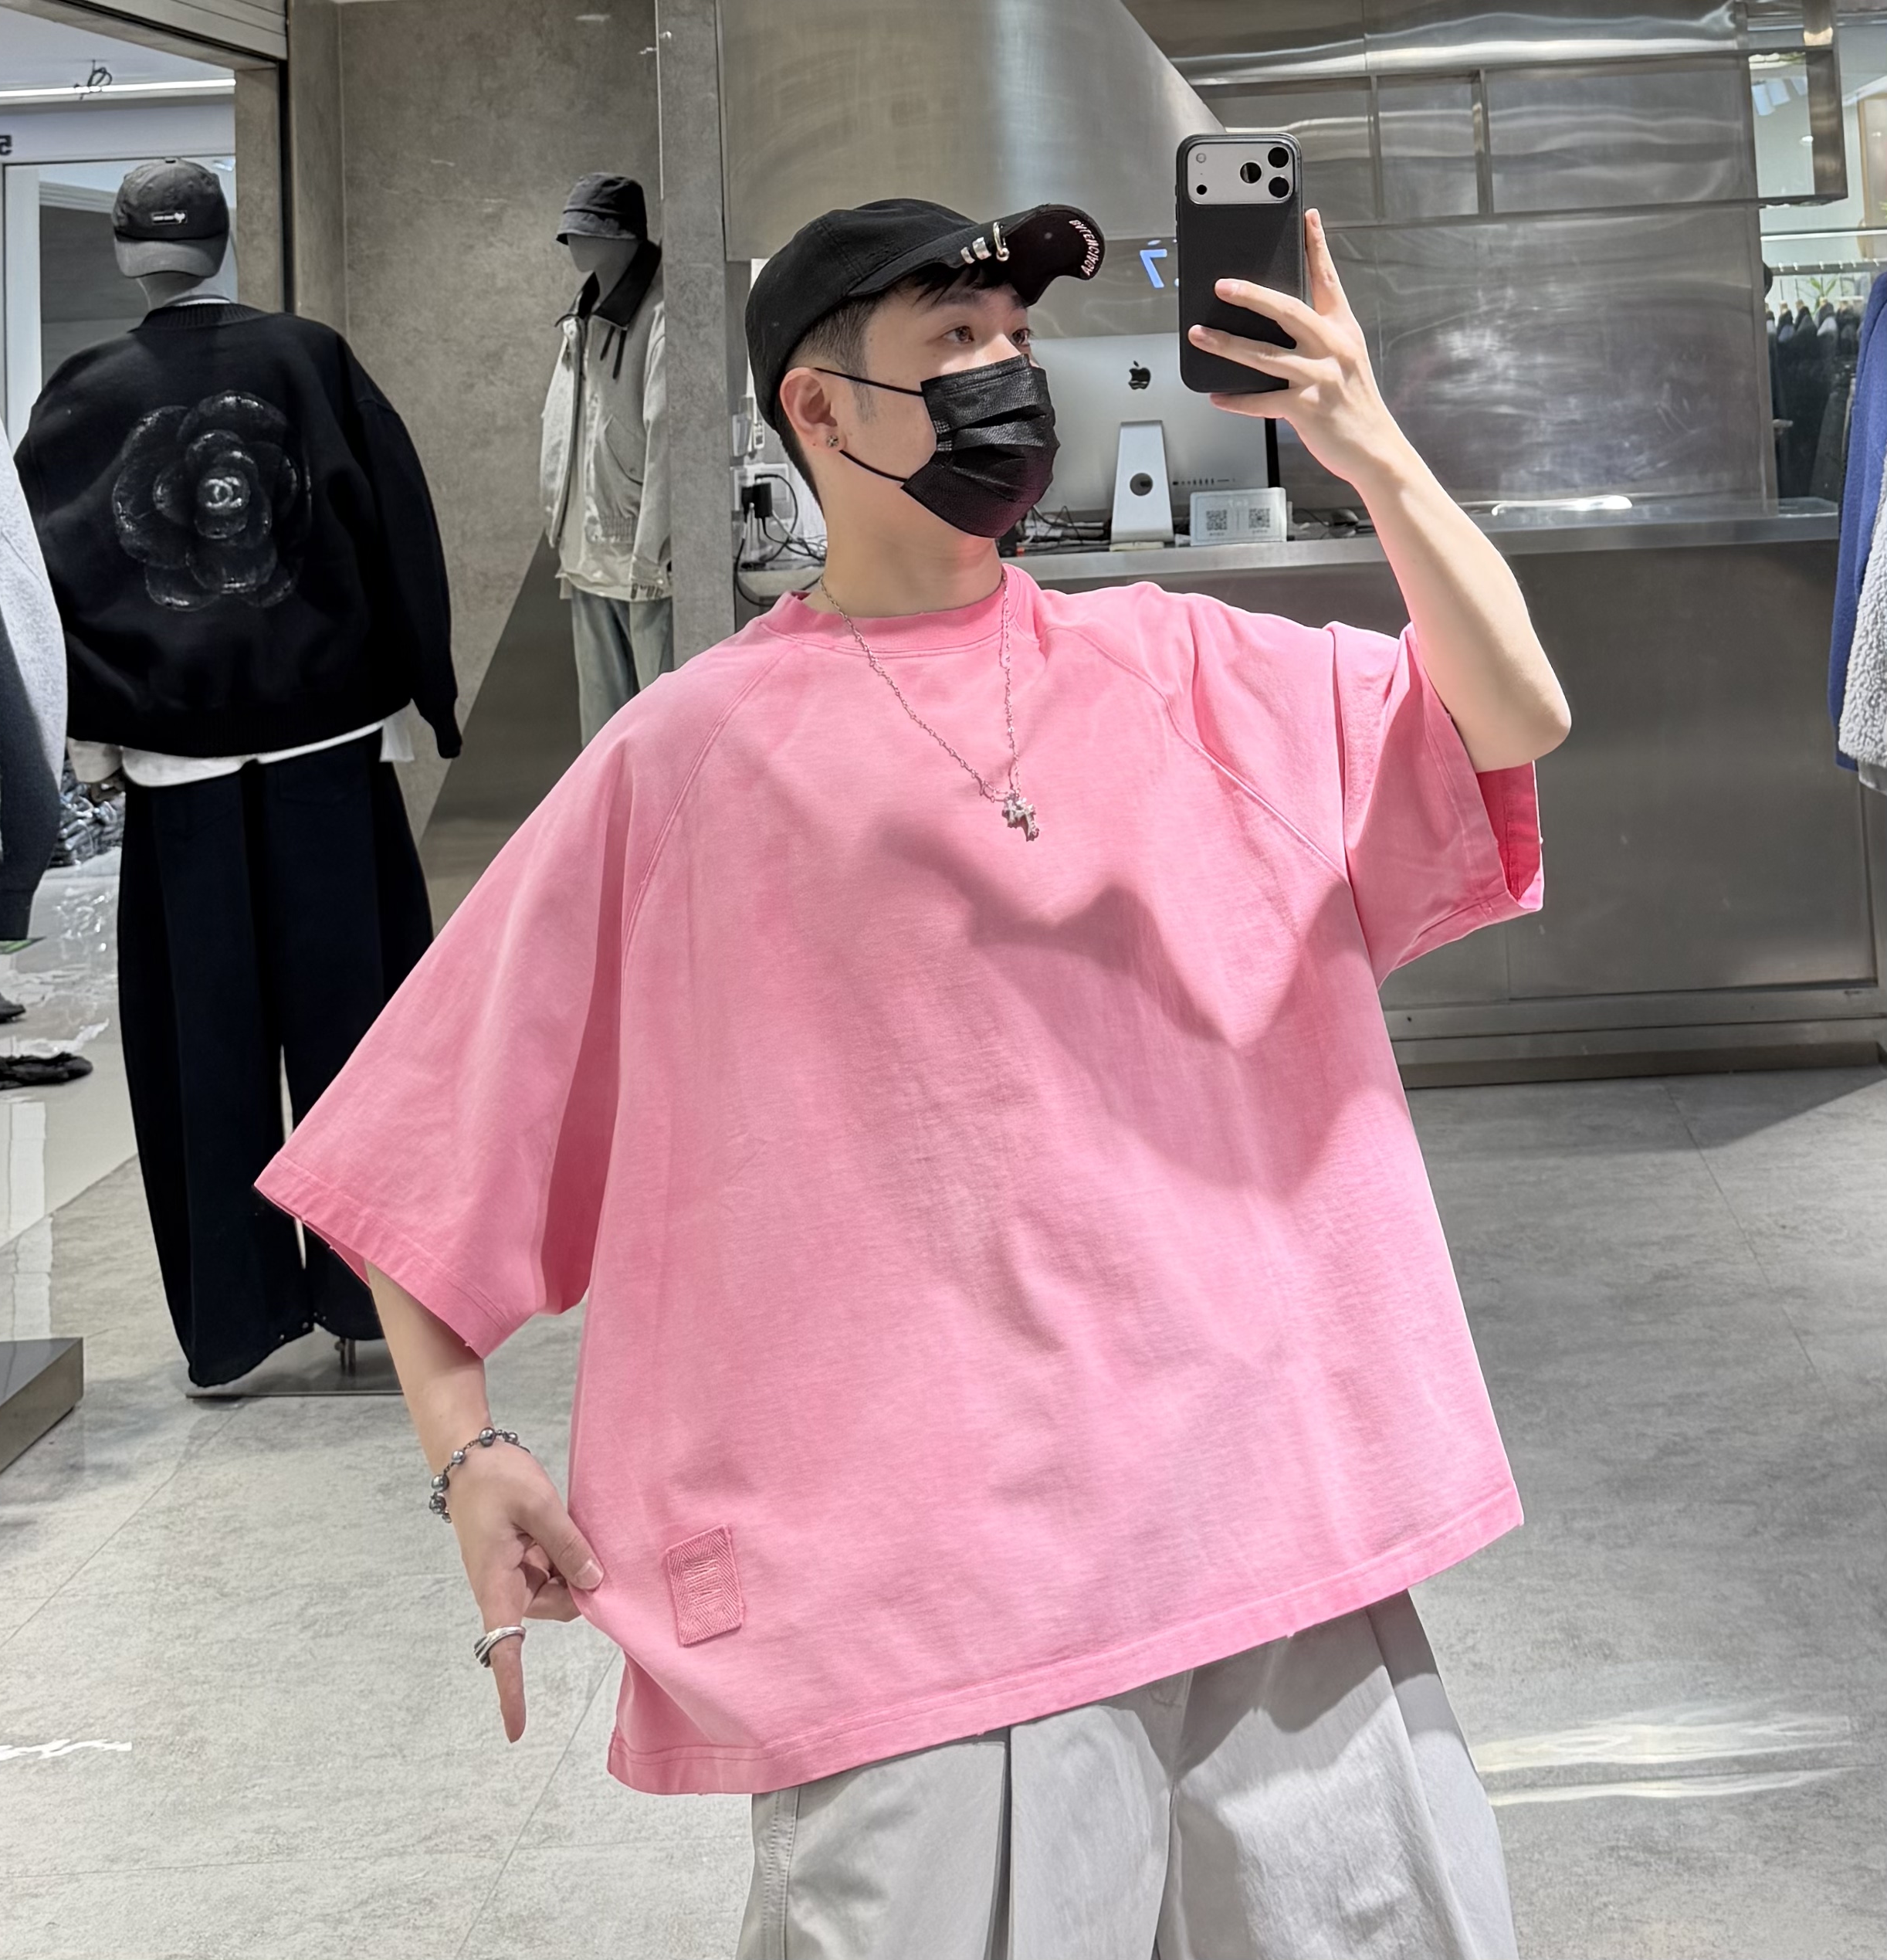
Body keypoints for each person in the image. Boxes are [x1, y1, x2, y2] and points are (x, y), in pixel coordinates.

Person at [257, 197, 1567, 1958]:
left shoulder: (1184, 668)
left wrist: (1375, 451)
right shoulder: (691, 759)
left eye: (1016, 340)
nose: (1006, 376)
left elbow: (1511, 718)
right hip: (921, 1593)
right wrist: (466, 1449)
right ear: (818, 409)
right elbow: (426, 1141)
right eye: (954, 342)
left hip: (1263, 1518)